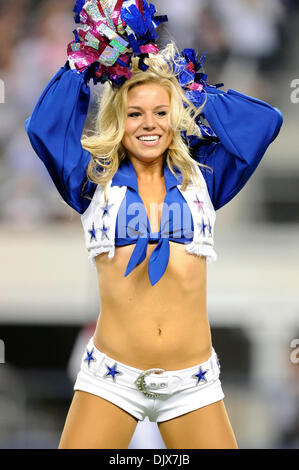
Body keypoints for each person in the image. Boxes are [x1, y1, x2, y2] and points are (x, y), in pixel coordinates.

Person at [25, 0, 283, 449]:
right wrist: (83, 61)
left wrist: (187, 84)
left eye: (161, 113)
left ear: (175, 117)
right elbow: (43, 127)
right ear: (118, 121)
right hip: (112, 377)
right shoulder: (92, 182)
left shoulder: (204, 179)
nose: (149, 124)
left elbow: (265, 121)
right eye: (135, 113)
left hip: (193, 380)